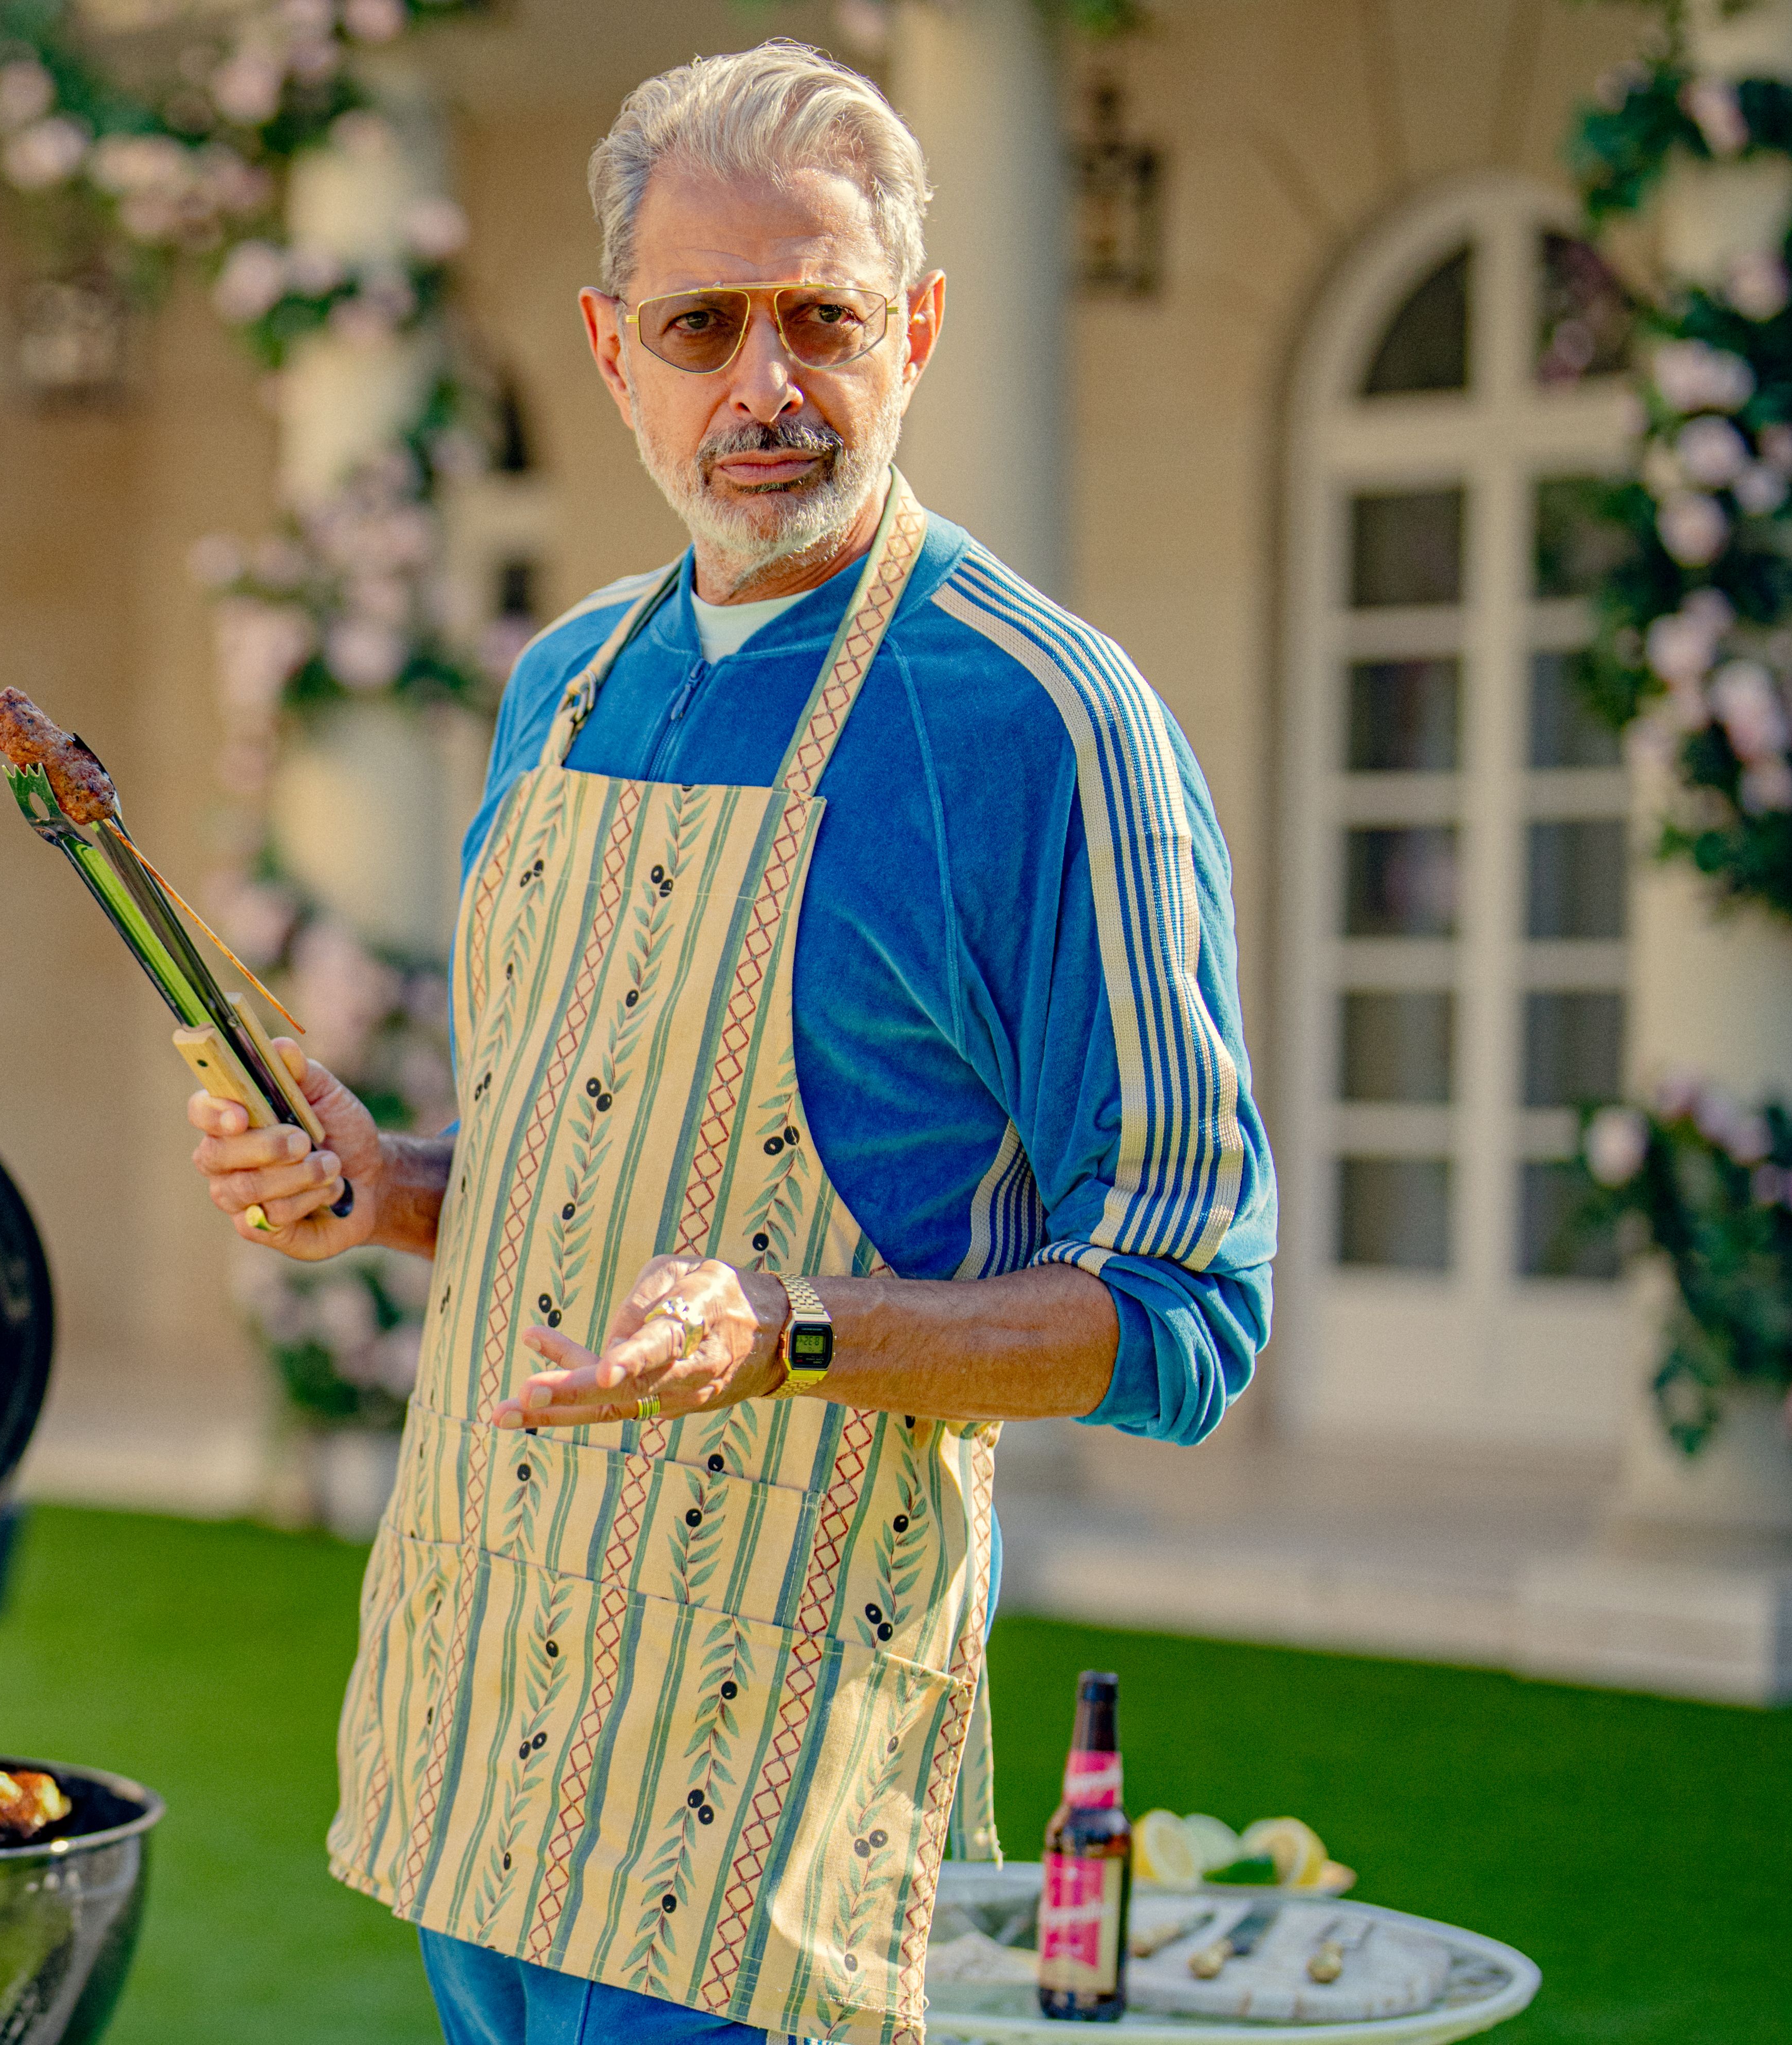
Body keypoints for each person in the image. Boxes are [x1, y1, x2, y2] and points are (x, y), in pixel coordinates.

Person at [186, 43, 1271, 2045]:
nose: (763, 387)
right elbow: (588, 1167)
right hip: (479, 1722)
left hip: (764, 1792)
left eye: (821, 319)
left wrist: (795, 1326)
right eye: (702, 325)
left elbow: (1188, 1306)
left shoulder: (1047, 723)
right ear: (613, 350)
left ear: (917, 330)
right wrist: (388, 1188)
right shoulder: (565, 679)